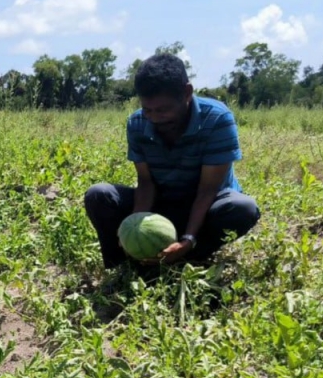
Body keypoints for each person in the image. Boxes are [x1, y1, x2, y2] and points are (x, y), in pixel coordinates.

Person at [84, 53, 260, 271]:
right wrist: (132, 228)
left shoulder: (216, 119)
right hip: (163, 204)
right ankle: (124, 267)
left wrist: (188, 239)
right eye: (148, 109)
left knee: (243, 208)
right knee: (99, 195)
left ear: (186, 93)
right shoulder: (137, 123)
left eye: (163, 109)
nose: (155, 117)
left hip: (206, 208)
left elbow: (207, 189)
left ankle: (189, 259)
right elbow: (146, 183)